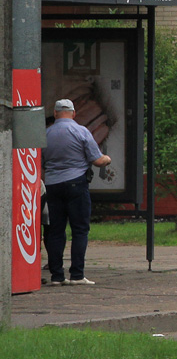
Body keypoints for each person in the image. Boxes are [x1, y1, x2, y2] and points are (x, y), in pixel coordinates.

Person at [43, 98, 111, 286]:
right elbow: (97, 160)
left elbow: (40, 161)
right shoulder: (81, 131)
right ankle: (77, 275)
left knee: (55, 231)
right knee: (80, 230)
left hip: (53, 186)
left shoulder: (46, 133)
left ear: (55, 113)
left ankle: (56, 276)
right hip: (76, 185)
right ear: (73, 113)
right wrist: (107, 159)